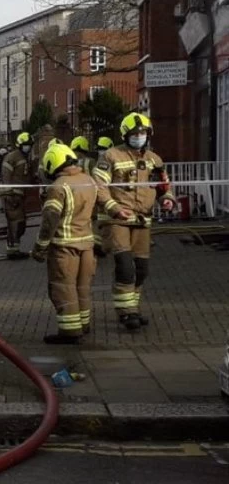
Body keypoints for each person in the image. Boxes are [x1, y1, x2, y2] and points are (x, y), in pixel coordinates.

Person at [32, 144, 130, 344]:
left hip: (64, 248)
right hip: (87, 245)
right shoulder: (88, 180)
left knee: (63, 288)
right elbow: (104, 198)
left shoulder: (58, 187)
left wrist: (40, 247)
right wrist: (118, 211)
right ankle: (84, 324)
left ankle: (70, 331)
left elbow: (50, 220)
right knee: (82, 287)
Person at [93, 113, 174, 331]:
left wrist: (167, 199)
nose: (139, 136)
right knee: (125, 266)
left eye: (143, 133)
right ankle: (126, 312)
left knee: (141, 269)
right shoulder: (111, 156)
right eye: (135, 133)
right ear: (125, 135)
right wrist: (114, 208)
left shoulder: (154, 160)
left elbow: (163, 186)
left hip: (142, 221)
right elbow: (99, 187)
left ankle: (133, 308)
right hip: (117, 221)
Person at [0, 133, 37, 259]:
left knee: (20, 224)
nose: (28, 147)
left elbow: (26, 176)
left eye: (29, 145)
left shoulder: (25, 158)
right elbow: (6, 176)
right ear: (20, 145)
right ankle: (12, 251)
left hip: (19, 196)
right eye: (26, 145)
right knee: (15, 223)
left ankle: (15, 249)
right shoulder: (12, 157)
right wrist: (9, 194)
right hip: (11, 196)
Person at [93, 136, 115, 257]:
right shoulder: (104, 162)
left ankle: (100, 245)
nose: (101, 151)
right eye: (100, 148)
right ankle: (104, 248)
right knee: (105, 223)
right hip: (105, 197)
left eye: (103, 148)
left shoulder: (99, 162)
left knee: (101, 222)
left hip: (102, 197)